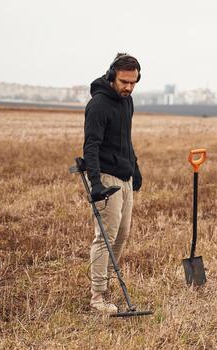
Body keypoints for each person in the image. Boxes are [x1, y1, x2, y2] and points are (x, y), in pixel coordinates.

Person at [83, 52, 142, 314]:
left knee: (122, 235)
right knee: (105, 237)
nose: (128, 87)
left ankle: (106, 284)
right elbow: (91, 146)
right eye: (123, 82)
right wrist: (95, 183)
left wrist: (135, 167)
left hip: (125, 175)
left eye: (133, 82)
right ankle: (98, 296)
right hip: (106, 175)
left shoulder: (126, 101)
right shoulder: (98, 105)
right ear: (111, 76)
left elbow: (125, 139)